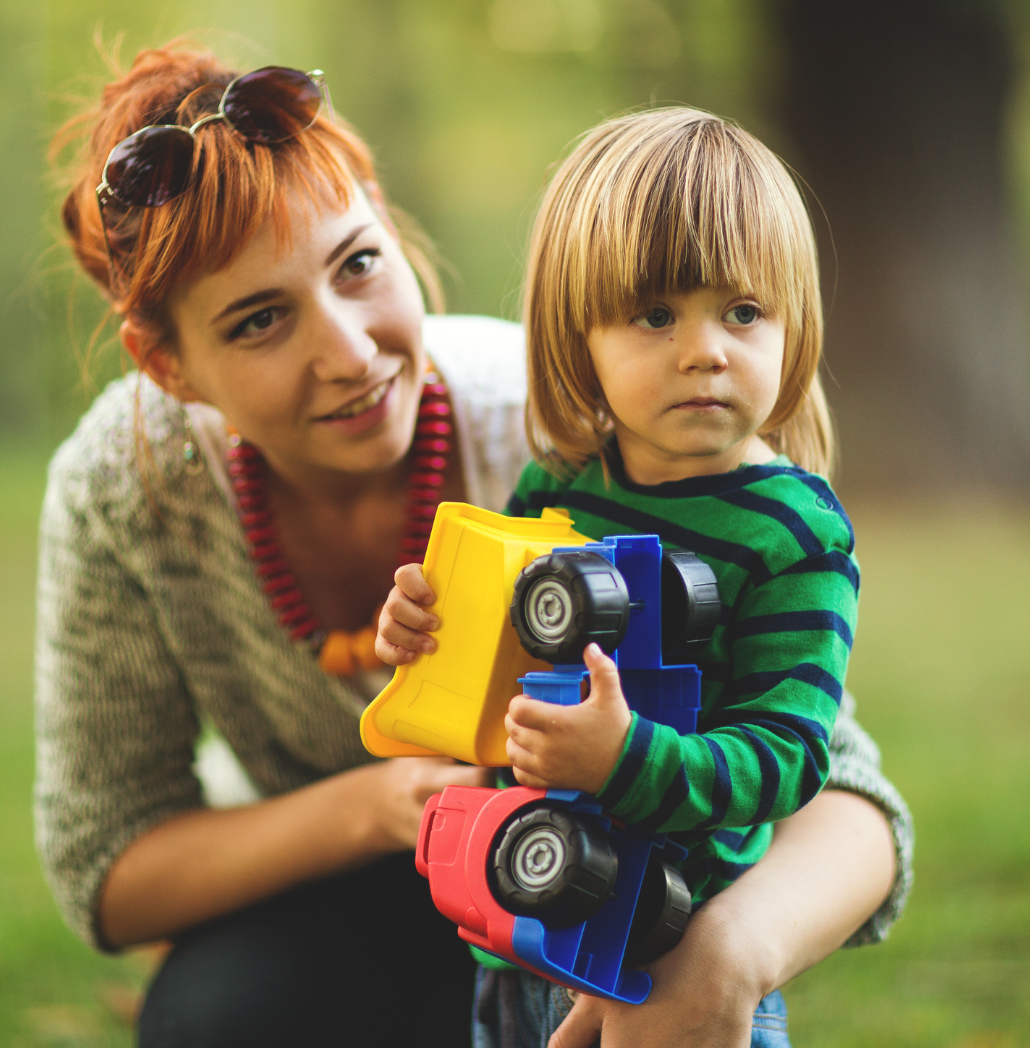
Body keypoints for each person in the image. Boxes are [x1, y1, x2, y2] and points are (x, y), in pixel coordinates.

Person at [36, 40, 910, 1048]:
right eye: (260, 320)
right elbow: (108, 863)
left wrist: (727, 956)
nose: (351, 354)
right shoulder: (127, 490)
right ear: (169, 366)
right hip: (385, 890)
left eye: (357, 264)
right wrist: (387, 797)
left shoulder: (581, 428)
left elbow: (837, 779)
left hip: (618, 886)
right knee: (216, 1020)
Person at [377, 108, 911, 1048]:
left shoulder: (795, 532)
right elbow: (499, 681)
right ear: (577, 335)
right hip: (520, 931)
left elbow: (789, 758)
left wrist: (626, 761)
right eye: (656, 314)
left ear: (795, 324)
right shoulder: (559, 487)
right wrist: (425, 638)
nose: (705, 349)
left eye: (743, 312)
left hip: (669, 966)